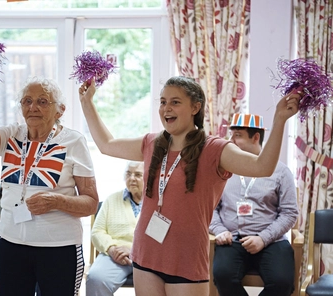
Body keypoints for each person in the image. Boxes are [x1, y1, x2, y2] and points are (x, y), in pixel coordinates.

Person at [78, 76, 300, 296]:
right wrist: (87, 103)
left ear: (195, 107)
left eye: (175, 102)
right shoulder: (152, 143)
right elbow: (106, 145)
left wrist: (280, 120)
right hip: (147, 252)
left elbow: (263, 167)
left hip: (186, 258)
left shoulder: (215, 149)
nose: (166, 108)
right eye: (163, 102)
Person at [0, 60, 99, 296]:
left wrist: (56, 201)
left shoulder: (74, 141)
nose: (33, 107)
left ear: (60, 110)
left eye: (42, 101)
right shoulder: (12, 135)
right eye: (27, 101)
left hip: (58, 247)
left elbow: (90, 202)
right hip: (11, 244)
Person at [209, 113, 298, 296]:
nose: (230, 141)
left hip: (271, 241)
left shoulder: (281, 172)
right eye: (231, 135)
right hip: (231, 239)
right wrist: (219, 230)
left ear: (255, 137)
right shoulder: (222, 170)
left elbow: (290, 213)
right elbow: (209, 207)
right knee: (223, 276)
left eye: (238, 136)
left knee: (283, 282)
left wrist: (263, 238)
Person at [86, 161, 144, 296]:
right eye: (128, 174)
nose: (132, 178)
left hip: (148, 257)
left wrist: (133, 251)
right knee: (96, 279)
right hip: (115, 255)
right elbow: (97, 231)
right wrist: (112, 249)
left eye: (138, 175)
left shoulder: (157, 202)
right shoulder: (112, 199)